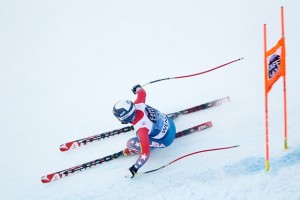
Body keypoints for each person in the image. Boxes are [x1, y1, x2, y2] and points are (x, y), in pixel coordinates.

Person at [113, 84, 176, 178]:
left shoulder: (141, 130)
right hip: (170, 122)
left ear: (126, 118)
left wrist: (134, 168)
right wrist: (137, 88)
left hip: (166, 140)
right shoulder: (138, 103)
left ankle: (134, 149)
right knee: (149, 130)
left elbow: (145, 153)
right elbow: (142, 93)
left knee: (131, 143)